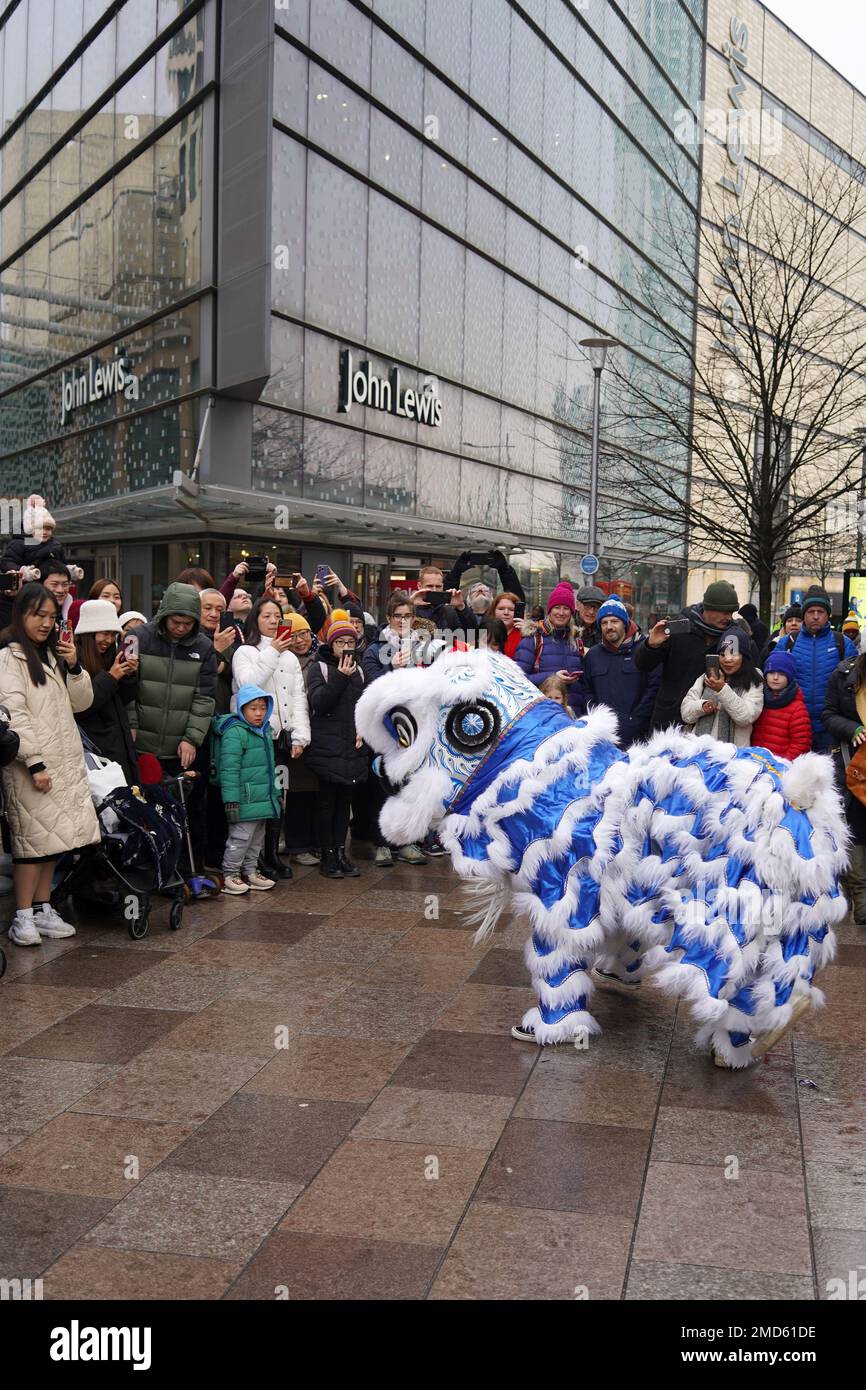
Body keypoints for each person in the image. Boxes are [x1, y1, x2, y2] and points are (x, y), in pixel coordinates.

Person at [0, 583, 100, 946]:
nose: (45, 623)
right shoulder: (9, 658)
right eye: (37, 615)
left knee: (52, 841)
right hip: (32, 766)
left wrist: (74, 665)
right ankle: (23, 915)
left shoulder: (51, 656)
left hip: (62, 762)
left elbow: (82, 702)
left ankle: (42, 908)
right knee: (31, 842)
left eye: (51, 617)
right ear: (21, 614)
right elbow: (14, 716)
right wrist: (35, 763)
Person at [128, 584, 217, 872]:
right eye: (175, 621)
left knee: (180, 811)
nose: (181, 628)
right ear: (164, 614)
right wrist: (130, 724)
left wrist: (192, 738)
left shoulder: (203, 647)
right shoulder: (138, 637)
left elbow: (205, 698)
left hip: (179, 746)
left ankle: (179, 869)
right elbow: (126, 687)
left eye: (187, 623)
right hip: (140, 740)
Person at [231, 595, 311, 879]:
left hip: (281, 742)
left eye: (277, 616)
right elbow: (248, 685)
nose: (273, 621)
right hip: (254, 739)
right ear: (256, 619)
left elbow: (298, 697)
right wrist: (272, 651)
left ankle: (272, 854)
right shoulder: (246, 652)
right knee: (258, 798)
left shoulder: (290, 657)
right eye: (266, 616)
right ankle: (255, 860)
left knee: (278, 797)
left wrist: (300, 735)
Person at [306, 611, 369, 879]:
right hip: (327, 746)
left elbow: (364, 707)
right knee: (326, 803)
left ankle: (340, 853)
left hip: (351, 747)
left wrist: (363, 730)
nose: (345, 647)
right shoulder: (318, 668)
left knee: (345, 803)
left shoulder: (361, 671)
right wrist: (341, 677)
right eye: (340, 642)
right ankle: (327, 855)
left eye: (350, 642)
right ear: (331, 645)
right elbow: (319, 703)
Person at [635, 580, 741, 731]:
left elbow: (748, 675)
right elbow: (643, 665)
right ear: (708, 608)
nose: (729, 617)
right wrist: (652, 645)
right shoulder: (678, 628)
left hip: (711, 723)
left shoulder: (734, 637)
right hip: (670, 721)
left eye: (731, 612)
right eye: (725, 612)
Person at [212, 684, 281, 895]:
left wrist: (275, 794)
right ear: (242, 708)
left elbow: (271, 767)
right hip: (244, 798)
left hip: (262, 797)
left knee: (256, 838)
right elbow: (229, 770)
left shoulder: (265, 731)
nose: (259, 713)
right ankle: (230, 873)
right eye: (253, 708)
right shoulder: (235, 733)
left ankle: (250, 871)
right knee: (240, 838)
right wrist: (231, 801)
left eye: (262, 707)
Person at [773, 586, 857, 752]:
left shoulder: (843, 643)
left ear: (828, 615)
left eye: (821, 611)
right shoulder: (787, 642)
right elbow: (771, 680)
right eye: (811, 611)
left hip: (831, 730)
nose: (816, 616)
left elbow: (854, 687)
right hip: (793, 727)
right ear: (804, 614)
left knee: (830, 777)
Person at [823, 637, 866, 923]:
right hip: (855, 767)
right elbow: (828, 714)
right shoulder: (844, 674)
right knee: (857, 828)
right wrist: (851, 729)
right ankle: (862, 899)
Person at [73, 600, 139, 783]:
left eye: (113, 634)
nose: (109, 640)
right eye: (104, 633)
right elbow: (83, 706)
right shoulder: (74, 662)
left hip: (118, 742)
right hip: (94, 749)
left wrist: (129, 675)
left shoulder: (110, 656)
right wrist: (111, 677)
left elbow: (122, 700)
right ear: (89, 632)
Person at [582, 595, 660, 746]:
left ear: (624, 623)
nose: (609, 626)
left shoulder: (644, 650)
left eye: (614, 621)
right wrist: (597, 718)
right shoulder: (593, 655)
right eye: (604, 623)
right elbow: (586, 689)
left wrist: (636, 719)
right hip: (602, 735)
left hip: (638, 736)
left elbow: (653, 687)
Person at [281, 614, 320, 867]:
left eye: (304, 633)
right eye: (293, 635)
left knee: (315, 793)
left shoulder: (320, 660)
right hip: (292, 735)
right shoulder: (282, 661)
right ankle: (296, 845)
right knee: (295, 792)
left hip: (318, 735)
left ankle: (314, 842)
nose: (299, 640)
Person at [680, 627, 763, 745]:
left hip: (733, 756)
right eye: (723, 654)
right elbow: (685, 714)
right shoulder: (708, 677)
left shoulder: (754, 680)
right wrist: (702, 706)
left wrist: (722, 689)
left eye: (733, 654)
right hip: (699, 752)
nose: (727, 660)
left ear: (744, 656)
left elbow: (746, 717)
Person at [514, 581, 585, 713]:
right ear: (549, 610)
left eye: (566, 608)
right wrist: (553, 677)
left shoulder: (576, 641)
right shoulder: (533, 638)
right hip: (542, 716)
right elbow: (517, 680)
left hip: (573, 717)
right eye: (557, 607)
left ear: (571, 612)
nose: (561, 613)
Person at [751, 650, 812, 761]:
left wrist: (782, 765)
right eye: (771, 672)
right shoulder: (758, 698)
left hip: (781, 769)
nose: (775, 677)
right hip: (756, 763)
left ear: (789, 677)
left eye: (782, 674)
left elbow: (801, 744)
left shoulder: (797, 709)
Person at [443, 550, 526, 615]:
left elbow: (516, 601)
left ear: (492, 600)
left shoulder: (501, 617)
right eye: (474, 590)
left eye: (486, 590)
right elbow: (447, 600)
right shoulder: (458, 615)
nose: (480, 590)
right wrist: (455, 573)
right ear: (468, 602)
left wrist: (504, 570)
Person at [411, 564, 464, 633]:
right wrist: (409, 604)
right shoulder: (410, 608)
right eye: (430, 586)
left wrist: (461, 607)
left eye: (438, 586)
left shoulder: (449, 611)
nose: (434, 590)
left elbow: (471, 635)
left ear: (443, 586)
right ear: (419, 586)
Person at [489, 592, 523, 658]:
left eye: (511, 609)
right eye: (501, 609)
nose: (506, 613)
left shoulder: (525, 634)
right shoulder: (485, 630)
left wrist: (526, 635)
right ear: (493, 610)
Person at [574, 585, 606, 650]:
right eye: (587, 606)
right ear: (577, 605)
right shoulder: (567, 628)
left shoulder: (604, 629)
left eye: (596, 607)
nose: (591, 612)